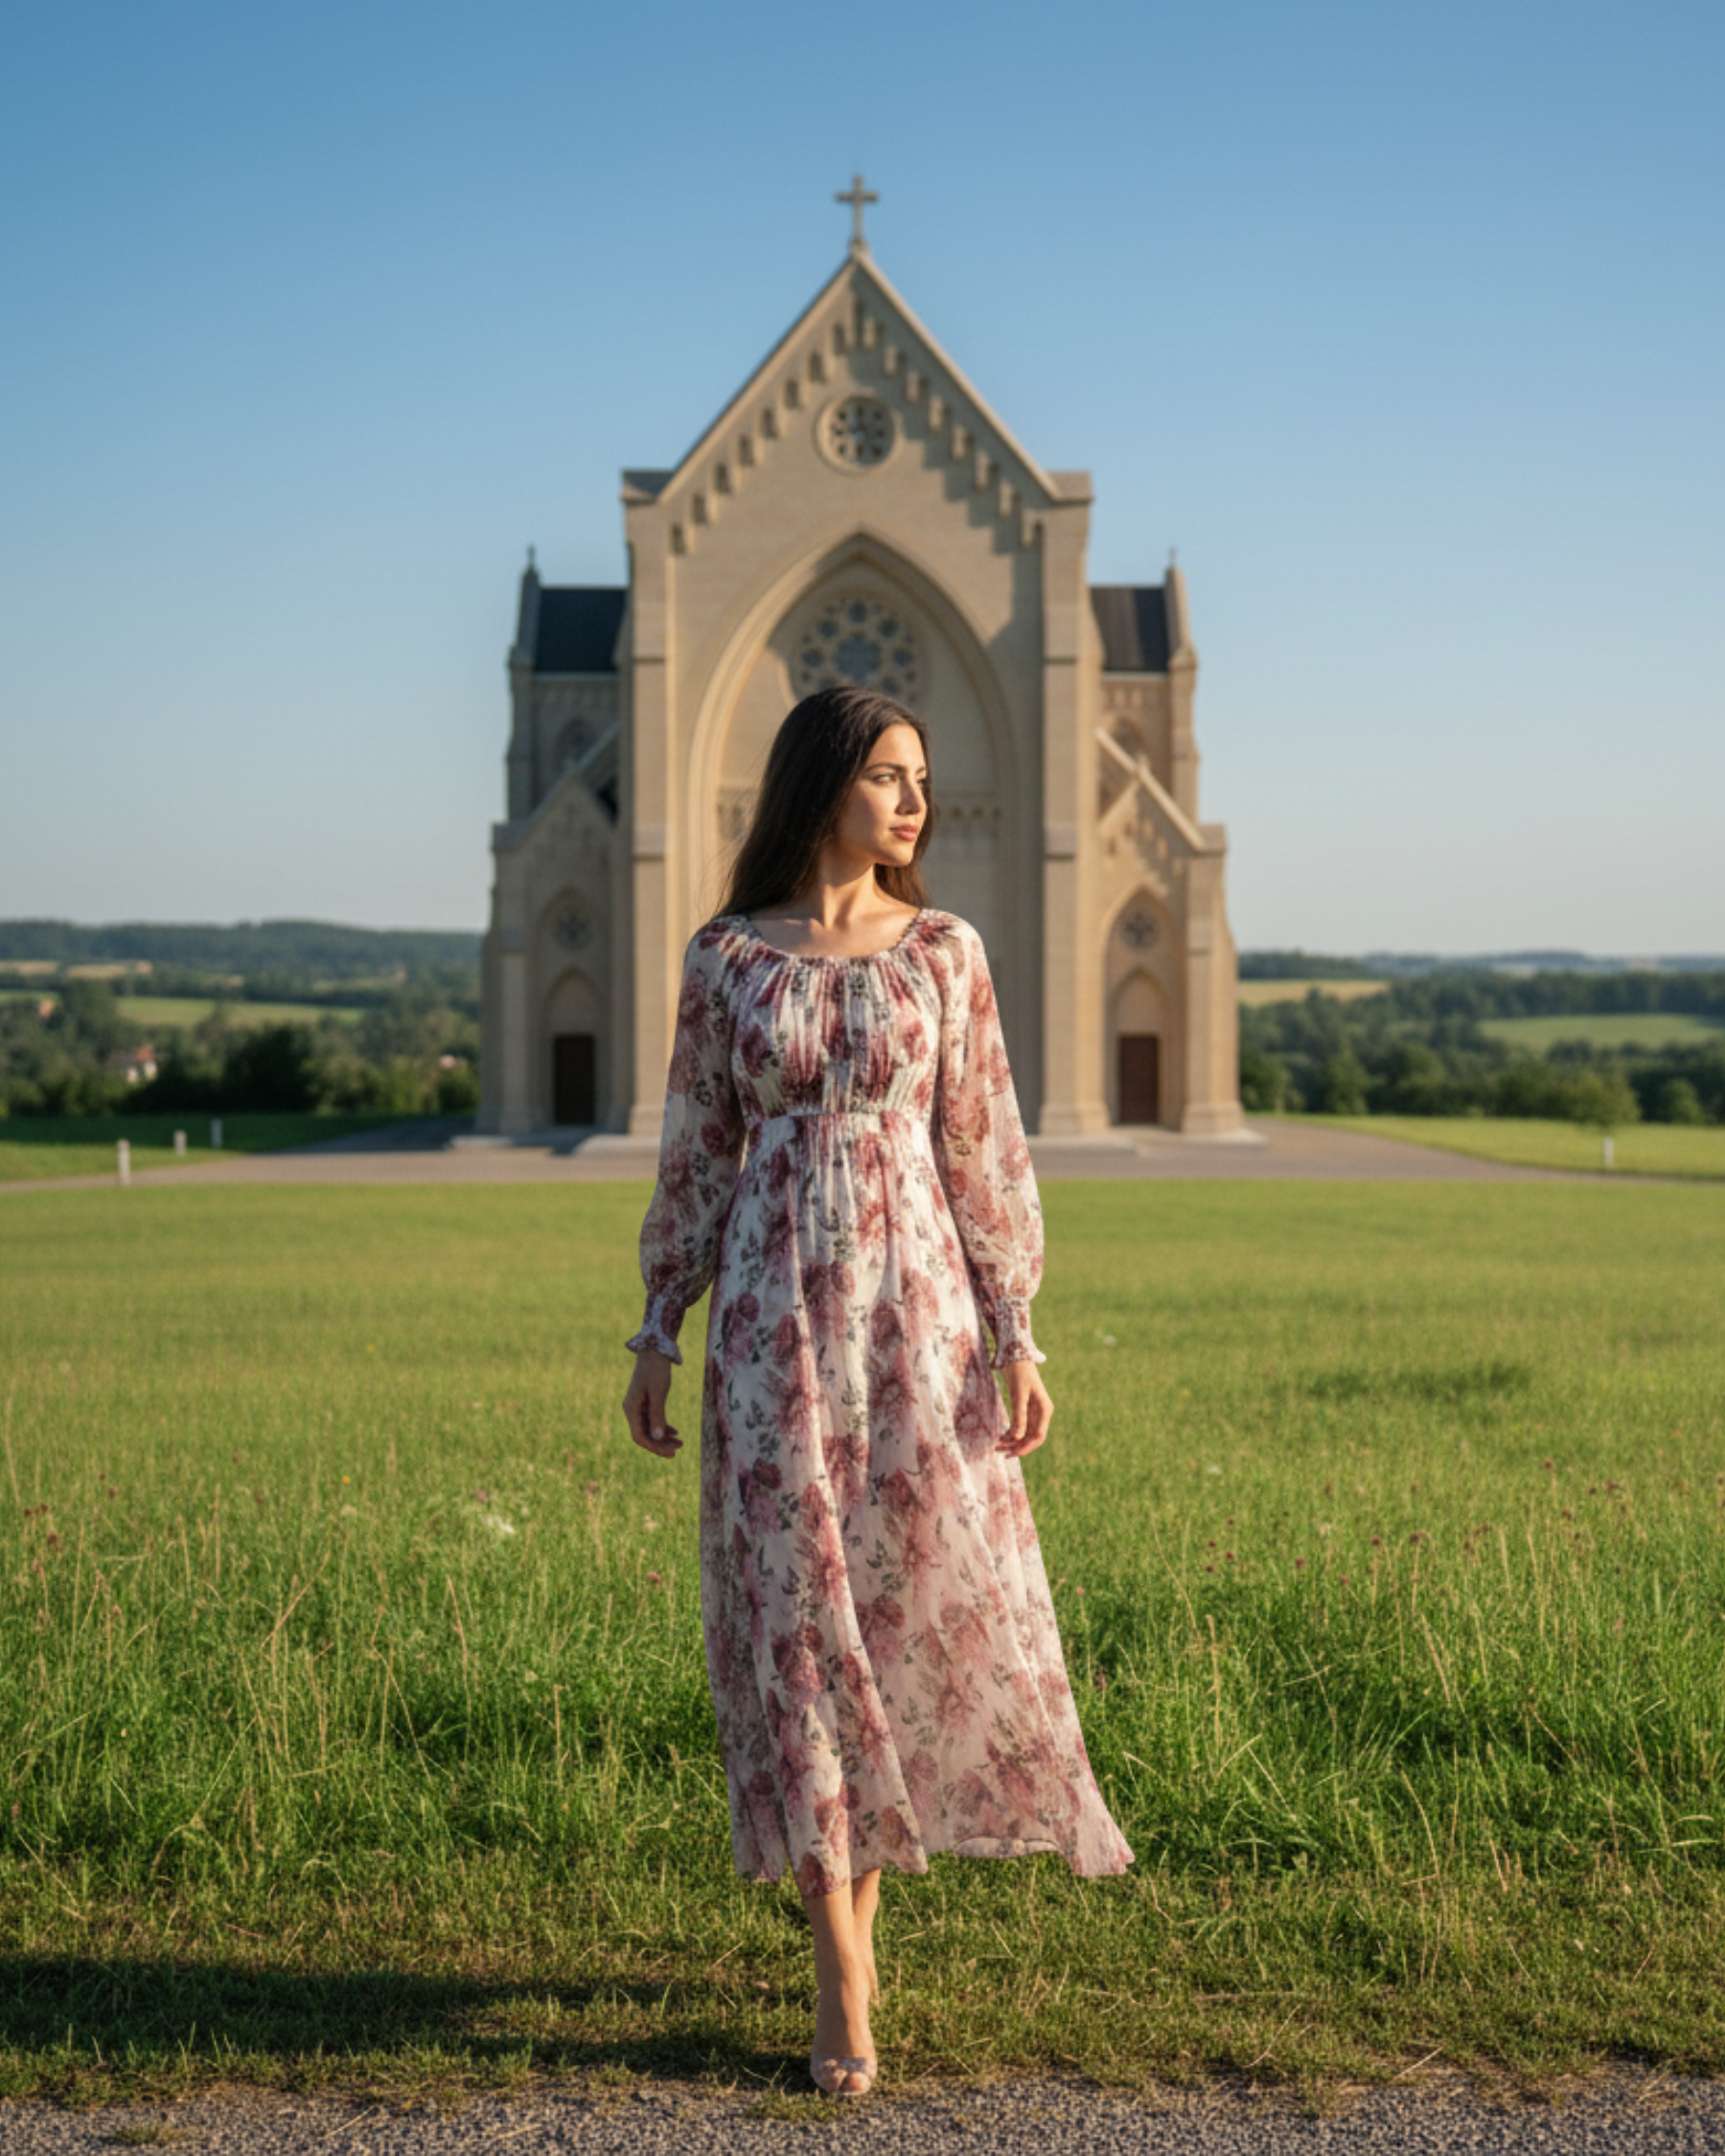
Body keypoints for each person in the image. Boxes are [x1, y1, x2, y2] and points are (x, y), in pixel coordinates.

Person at [622, 685, 1132, 2098]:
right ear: (822, 781)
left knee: (892, 1620)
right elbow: (695, 1150)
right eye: (890, 776)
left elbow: (982, 1147)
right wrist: (659, 1324)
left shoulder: (946, 954)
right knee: (797, 1627)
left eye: (921, 779)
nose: (915, 803)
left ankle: (855, 1924)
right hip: (771, 1328)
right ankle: (840, 1964)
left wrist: (1017, 1328)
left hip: (920, 1331)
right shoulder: (725, 957)